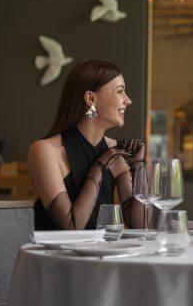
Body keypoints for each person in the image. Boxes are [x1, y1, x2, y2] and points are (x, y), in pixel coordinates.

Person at [29, 60, 146, 230]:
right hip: (58, 255)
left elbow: (141, 227)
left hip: (104, 254)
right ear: (91, 98)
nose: (128, 100)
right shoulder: (44, 151)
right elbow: (72, 226)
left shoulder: (116, 152)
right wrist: (97, 170)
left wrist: (138, 168)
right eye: (120, 91)